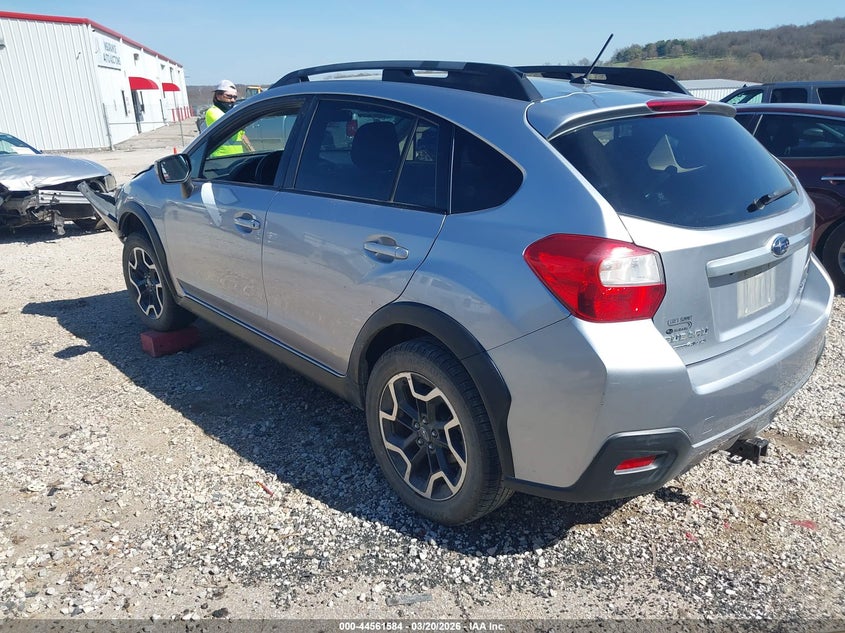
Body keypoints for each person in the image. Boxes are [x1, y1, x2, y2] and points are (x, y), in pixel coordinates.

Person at [205, 80, 253, 156]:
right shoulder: (212, 112)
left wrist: (252, 151)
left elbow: (242, 136)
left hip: (236, 157)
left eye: (235, 97)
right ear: (218, 95)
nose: (232, 100)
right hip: (221, 158)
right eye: (229, 96)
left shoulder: (231, 112)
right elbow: (230, 125)